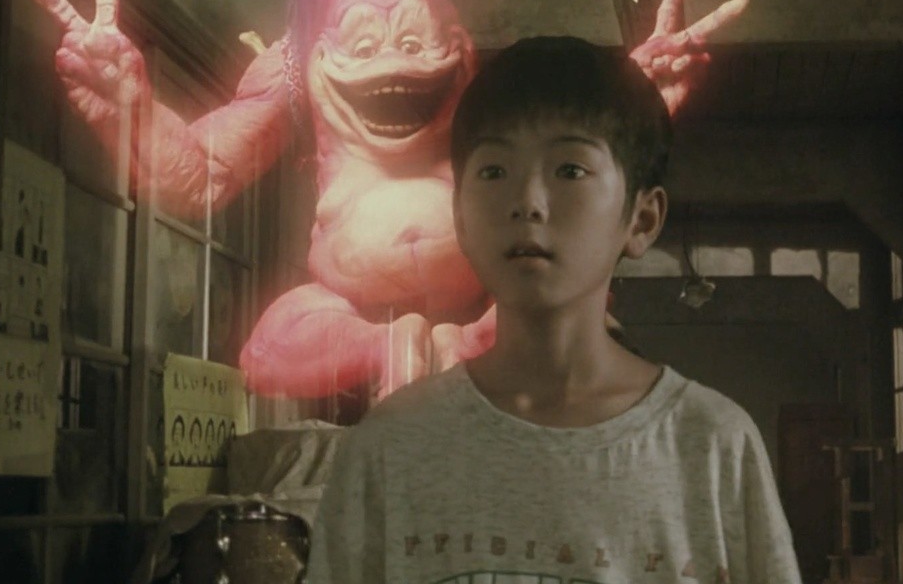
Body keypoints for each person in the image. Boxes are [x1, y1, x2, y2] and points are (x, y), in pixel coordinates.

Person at [307, 37, 801, 584]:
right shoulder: (391, 447)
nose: (528, 202)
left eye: (569, 170)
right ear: (461, 217)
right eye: (494, 171)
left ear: (641, 220)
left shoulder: (711, 446)